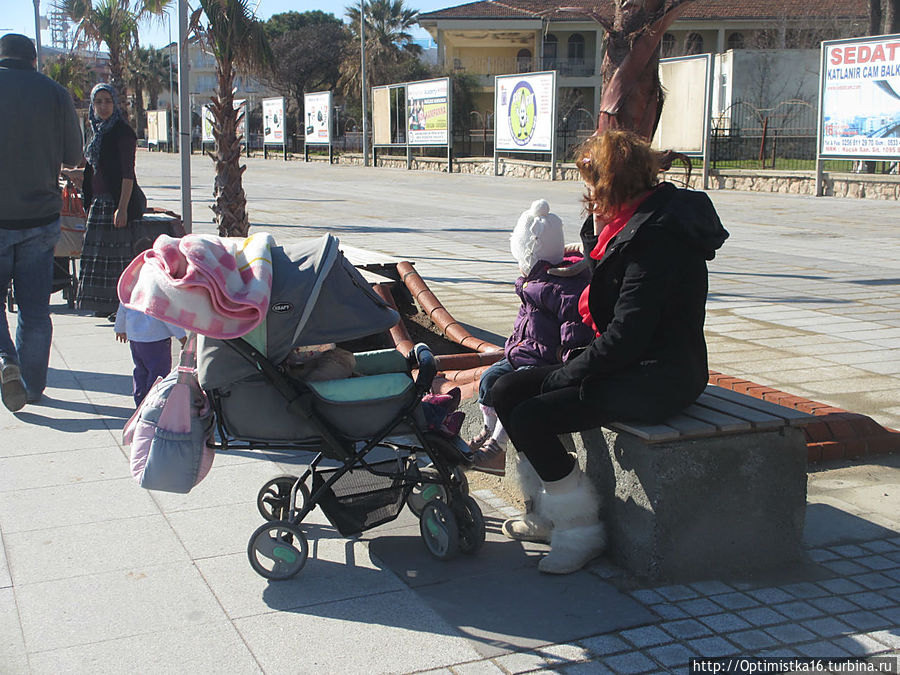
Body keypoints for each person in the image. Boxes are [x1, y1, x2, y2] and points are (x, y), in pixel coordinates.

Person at [491, 130, 728, 575]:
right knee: (505, 390)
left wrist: (568, 374)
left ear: (614, 184)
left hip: (658, 377)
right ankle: (551, 513)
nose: (589, 195)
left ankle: (580, 531)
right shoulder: (631, 224)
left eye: (594, 184)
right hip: (630, 363)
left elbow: (627, 334)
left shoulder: (656, 239)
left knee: (530, 414)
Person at [469, 199, 592, 476]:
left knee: (511, 389)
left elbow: (575, 329)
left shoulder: (563, 288)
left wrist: (567, 356)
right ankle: (488, 430)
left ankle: (497, 448)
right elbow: (524, 322)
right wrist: (513, 345)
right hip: (522, 352)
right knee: (489, 379)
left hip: (543, 361)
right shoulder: (530, 282)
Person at [0, 34, 83, 412]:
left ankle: (6, 361)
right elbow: (73, 155)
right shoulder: (55, 93)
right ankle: (32, 387)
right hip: (40, 217)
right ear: (34, 59)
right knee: (35, 310)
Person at [75, 82, 146, 318]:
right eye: (98, 102)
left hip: (116, 202)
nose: (103, 106)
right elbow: (93, 168)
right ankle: (103, 305)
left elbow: (128, 173)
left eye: (107, 101)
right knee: (97, 258)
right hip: (97, 201)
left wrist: (122, 208)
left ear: (115, 103)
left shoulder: (122, 132)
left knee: (118, 260)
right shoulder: (96, 131)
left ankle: (122, 307)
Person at [115, 239, 186, 406]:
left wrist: (120, 328)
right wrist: (182, 336)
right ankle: (153, 403)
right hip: (156, 338)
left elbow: (123, 303)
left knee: (140, 370)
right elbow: (166, 313)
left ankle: (139, 400)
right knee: (158, 372)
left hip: (135, 337)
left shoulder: (132, 279)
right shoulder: (158, 281)